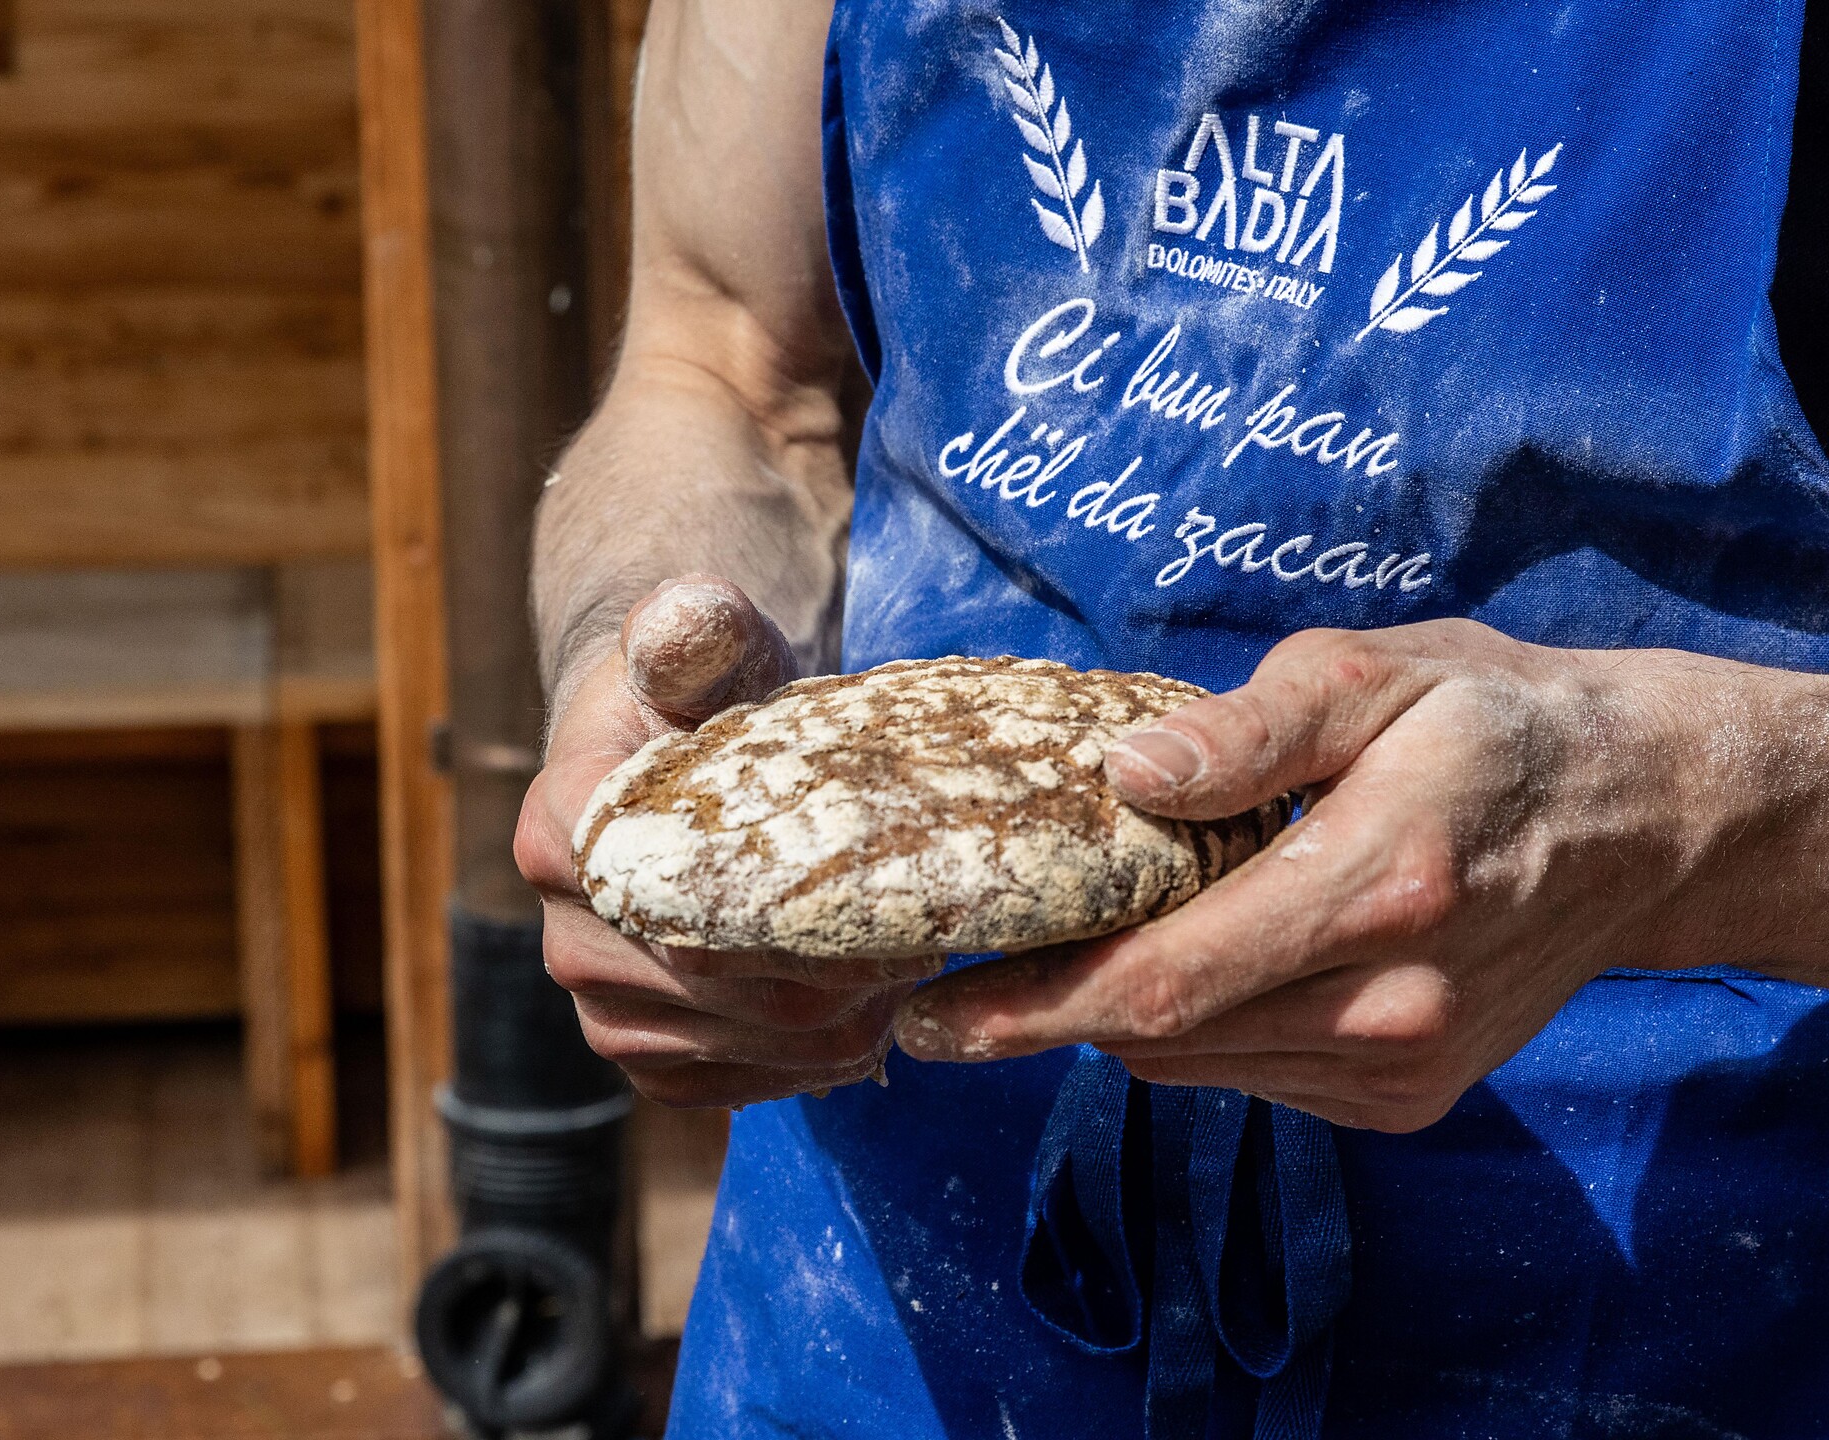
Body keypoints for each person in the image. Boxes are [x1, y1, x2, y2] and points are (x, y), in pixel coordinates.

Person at [514, 0, 1829, 1434]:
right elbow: (722, 365)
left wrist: (1694, 815)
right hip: (889, 1303)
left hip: (1660, 1299)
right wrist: (635, 697)